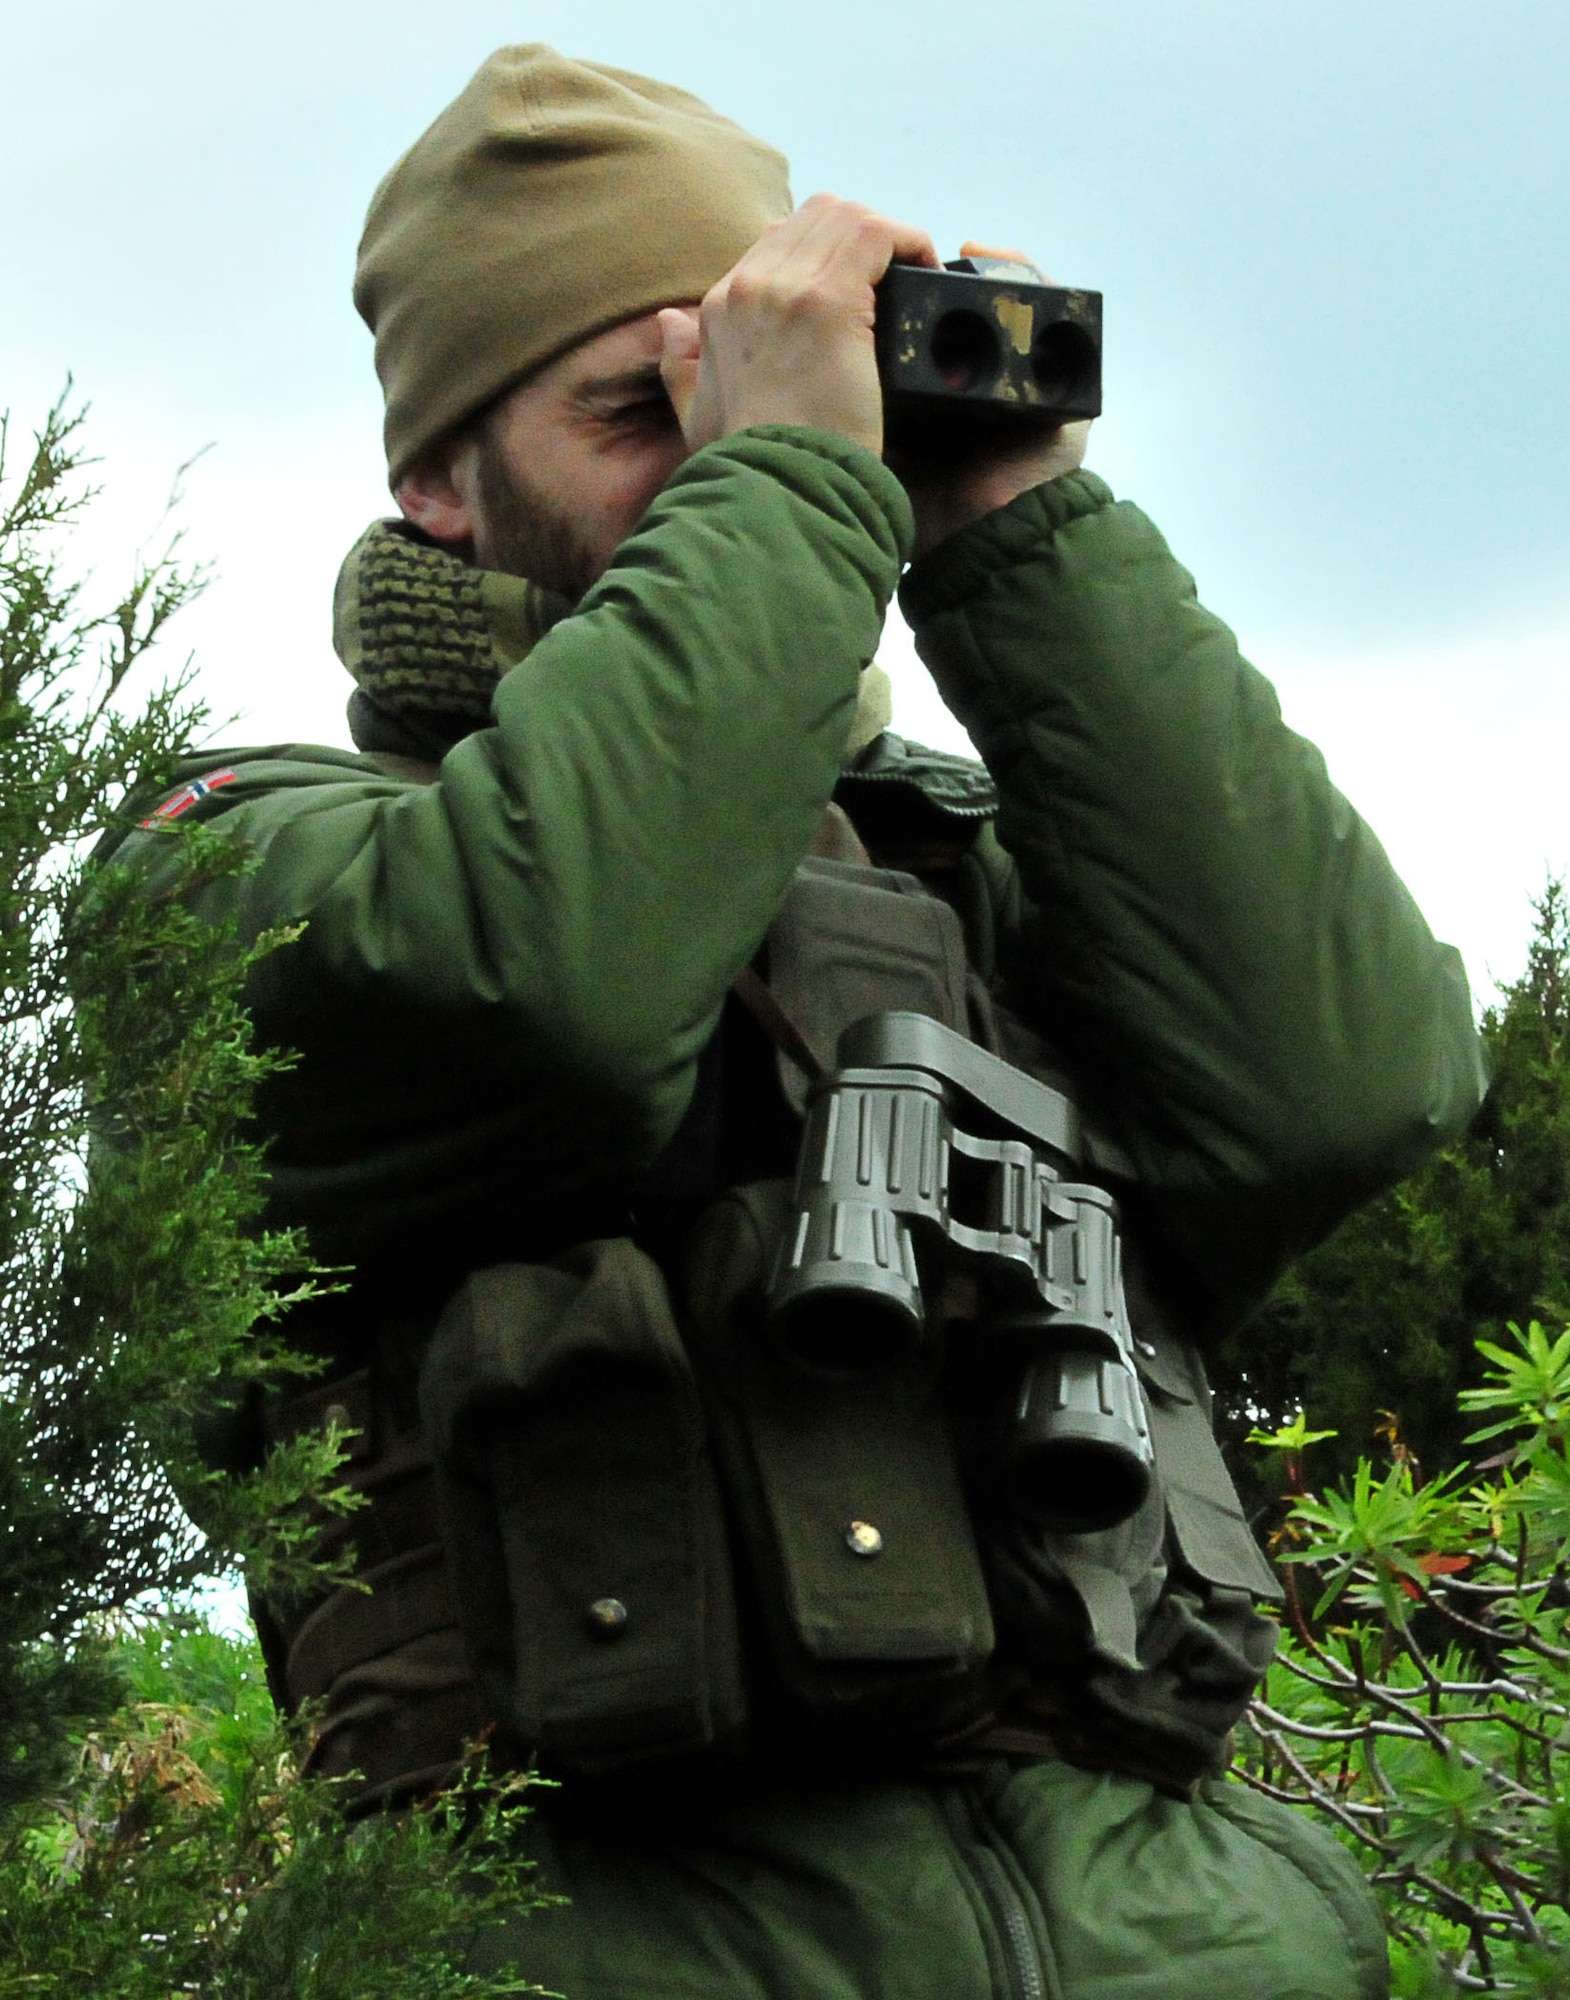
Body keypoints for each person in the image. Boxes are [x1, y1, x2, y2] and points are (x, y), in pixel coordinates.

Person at [114, 45, 1486, 2000]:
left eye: (754, 385)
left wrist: (1008, 524)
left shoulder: (978, 874)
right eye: (641, 408)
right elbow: (553, 990)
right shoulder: (238, 868)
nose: (731, 447)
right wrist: (782, 473)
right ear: (433, 479)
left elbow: (1345, 1085)